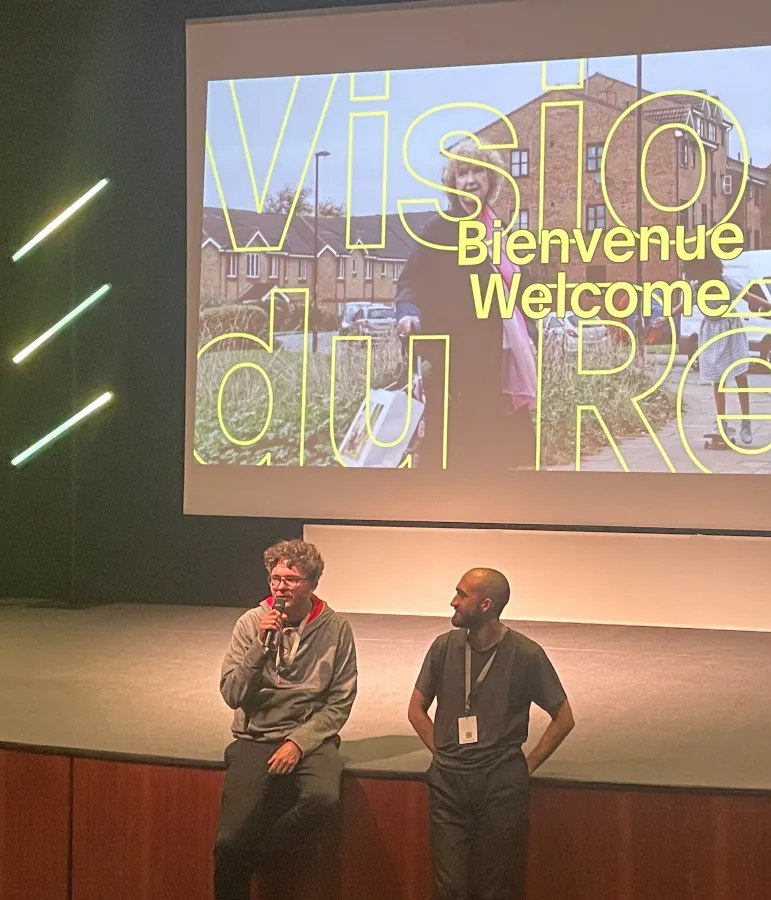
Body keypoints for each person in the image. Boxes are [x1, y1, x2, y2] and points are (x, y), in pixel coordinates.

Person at [408, 568, 575, 900]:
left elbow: (564, 718)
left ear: (486, 605)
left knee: (495, 889)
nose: (453, 601)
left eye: (462, 595)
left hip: (500, 785)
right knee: (449, 887)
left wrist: (524, 768)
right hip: (448, 784)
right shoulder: (443, 647)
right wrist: (443, 753)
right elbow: (416, 710)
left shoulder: (526, 654)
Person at [213, 540, 358, 900]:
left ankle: (259, 854)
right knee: (229, 841)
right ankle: (241, 860)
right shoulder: (250, 623)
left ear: (312, 584)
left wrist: (299, 742)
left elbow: (340, 701)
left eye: (291, 580)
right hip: (256, 737)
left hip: (309, 736)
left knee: (322, 799)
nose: (280, 587)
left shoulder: (336, 628)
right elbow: (232, 694)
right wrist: (259, 646)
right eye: (276, 578)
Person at [393, 139, 538, 472]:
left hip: (498, 360)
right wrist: (408, 313)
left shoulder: (497, 230)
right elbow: (410, 281)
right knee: (456, 453)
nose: (470, 180)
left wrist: (527, 330)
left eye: (477, 172)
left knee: (499, 459)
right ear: (451, 183)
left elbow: (515, 291)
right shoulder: (438, 229)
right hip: (454, 363)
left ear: (490, 182)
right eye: (462, 173)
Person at [654, 253, 771, 446]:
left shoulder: (727, 284)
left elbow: (749, 296)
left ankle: (746, 423)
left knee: (741, 375)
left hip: (731, 328)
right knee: (718, 378)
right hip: (711, 330)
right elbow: (684, 305)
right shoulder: (697, 288)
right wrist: (667, 317)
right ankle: (721, 423)